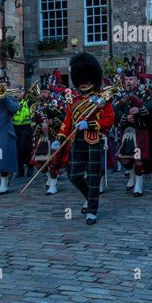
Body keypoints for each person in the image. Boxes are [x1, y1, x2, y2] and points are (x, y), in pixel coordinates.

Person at [58, 52, 115, 224]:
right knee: (73, 175)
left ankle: (92, 211)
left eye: (87, 79)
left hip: (94, 140)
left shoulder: (101, 99)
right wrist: (59, 139)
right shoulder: (74, 101)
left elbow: (109, 119)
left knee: (93, 176)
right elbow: (67, 122)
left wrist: (89, 125)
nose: (84, 84)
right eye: (81, 80)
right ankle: (90, 197)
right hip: (77, 140)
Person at [115, 70, 152, 197]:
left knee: (139, 158)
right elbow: (115, 109)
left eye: (131, 79)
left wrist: (140, 110)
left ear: (136, 80)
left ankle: (139, 185)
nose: (129, 82)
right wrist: (125, 117)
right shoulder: (121, 94)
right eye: (127, 79)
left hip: (140, 130)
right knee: (124, 158)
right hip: (127, 130)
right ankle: (132, 176)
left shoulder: (144, 93)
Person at [13, 87, 34, 178]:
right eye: (17, 92)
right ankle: (20, 170)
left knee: (24, 147)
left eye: (21, 91)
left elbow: (34, 113)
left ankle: (30, 166)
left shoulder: (29, 102)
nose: (19, 93)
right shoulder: (13, 101)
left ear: (24, 92)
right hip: (15, 127)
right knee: (17, 149)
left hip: (26, 127)